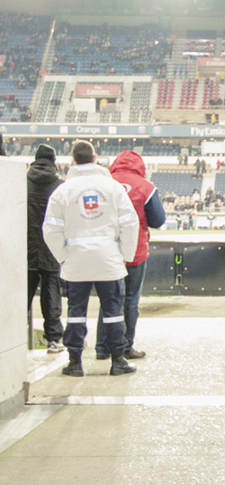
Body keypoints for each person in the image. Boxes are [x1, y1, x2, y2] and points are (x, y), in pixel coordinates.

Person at [43, 140, 139, 377]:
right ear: (95, 158)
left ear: (73, 160)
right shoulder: (113, 188)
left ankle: (75, 362)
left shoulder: (63, 191)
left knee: (76, 313)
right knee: (114, 311)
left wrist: (63, 257)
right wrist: (124, 256)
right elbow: (130, 223)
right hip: (109, 261)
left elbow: (51, 229)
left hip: (76, 263)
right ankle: (118, 361)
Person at [95, 150, 165, 361]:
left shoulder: (102, 183)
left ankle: (102, 347)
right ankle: (125, 346)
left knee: (107, 299)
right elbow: (158, 220)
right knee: (130, 300)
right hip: (135, 250)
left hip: (106, 250)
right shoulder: (146, 187)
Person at [26, 144, 64, 353]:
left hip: (25, 248)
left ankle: (13, 338)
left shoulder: (21, 182)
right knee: (51, 294)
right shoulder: (60, 186)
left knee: (23, 295)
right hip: (51, 248)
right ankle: (53, 340)